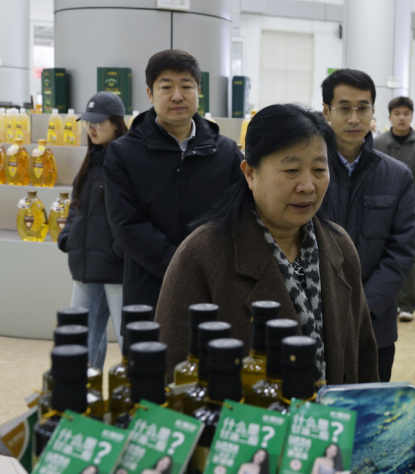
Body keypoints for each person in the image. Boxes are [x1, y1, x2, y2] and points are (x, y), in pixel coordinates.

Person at [155, 104, 380, 385]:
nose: (308, 185)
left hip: (332, 413)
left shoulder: (340, 247)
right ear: (250, 173)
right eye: (291, 170)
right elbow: (172, 373)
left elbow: (363, 358)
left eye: (319, 169)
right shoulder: (202, 254)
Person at [105, 49, 244, 309]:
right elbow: (126, 224)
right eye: (166, 87)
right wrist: (180, 264)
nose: (177, 96)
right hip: (149, 289)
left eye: (186, 86)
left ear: (199, 91)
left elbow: (240, 215)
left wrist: (209, 263)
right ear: (150, 94)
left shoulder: (226, 152)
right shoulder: (123, 153)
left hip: (214, 284)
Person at [319, 71, 415, 382]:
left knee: (370, 404)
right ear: (326, 111)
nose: (354, 118)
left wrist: (364, 307)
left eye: (363, 108)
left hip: (374, 323)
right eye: (344, 107)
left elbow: (401, 250)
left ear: (373, 111)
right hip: (314, 317)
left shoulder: (397, 175)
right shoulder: (309, 172)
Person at [58, 92, 128, 370]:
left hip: (116, 269)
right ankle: (84, 393)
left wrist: (118, 249)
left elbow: (135, 212)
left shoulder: (127, 162)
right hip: (85, 266)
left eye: (99, 122)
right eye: (88, 122)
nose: (92, 128)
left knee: (128, 342)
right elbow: (76, 206)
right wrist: (68, 237)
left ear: (116, 124)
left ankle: (137, 394)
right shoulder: (90, 162)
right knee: (79, 343)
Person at [373, 96, 415, 325]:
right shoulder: (378, 142)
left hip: (414, 207)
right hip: (382, 207)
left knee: (409, 256)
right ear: (389, 117)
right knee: (379, 254)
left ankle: (407, 304)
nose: (401, 118)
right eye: (397, 113)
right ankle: (384, 301)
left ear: (411, 116)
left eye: (406, 114)